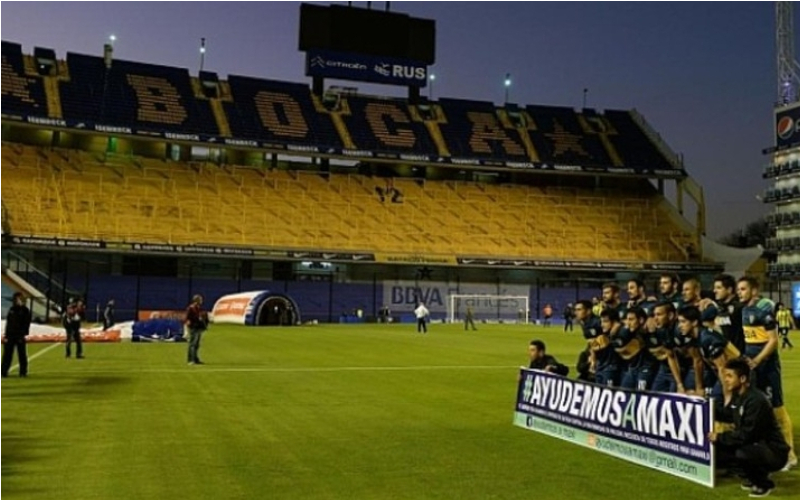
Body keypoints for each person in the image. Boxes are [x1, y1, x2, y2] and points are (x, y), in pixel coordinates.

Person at [737, 276, 796, 470]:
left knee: (777, 408)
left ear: (754, 290)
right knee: (757, 408)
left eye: (743, 289)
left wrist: (757, 360)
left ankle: (790, 455)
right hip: (752, 367)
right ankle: (767, 449)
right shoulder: (744, 309)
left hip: (767, 367)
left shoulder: (764, 308)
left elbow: (773, 340)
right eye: (738, 289)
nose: (740, 292)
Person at [710, 358, 790, 497]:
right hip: (757, 445)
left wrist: (720, 437)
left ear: (742, 379)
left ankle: (763, 484)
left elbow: (746, 435)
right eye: (725, 376)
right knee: (718, 453)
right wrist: (706, 407)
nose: (725, 380)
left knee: (743, 453)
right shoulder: (739, 396)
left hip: (775, 452)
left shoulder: (756, 400)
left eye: (729, 376)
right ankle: (749, 474)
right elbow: (727, 414)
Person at [575, 299, 620, 387]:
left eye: (579, 309)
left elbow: (611, 330)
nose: (576, 312)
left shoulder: (597, 322)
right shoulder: (584, 323)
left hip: (609, 358)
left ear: (588, 311)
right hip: (599, 356)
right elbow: (591, 342)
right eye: (576, 310)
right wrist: (592, 357)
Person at [712, 273, 745, 355]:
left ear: (729, 290)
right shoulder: (717, 308)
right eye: (714, 288)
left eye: (719, 288)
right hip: (722, 355)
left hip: (737, 355)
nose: (714, 291)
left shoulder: (739, 308)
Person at [2, 292, 31, 377]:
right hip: (10, 335)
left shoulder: (25, 311)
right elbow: (9, 323)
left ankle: (23, 372)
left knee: (22, 355)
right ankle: (3, 372)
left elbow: (26, 324)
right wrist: (6, 335)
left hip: (19, 336)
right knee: (7, 355)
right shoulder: (12, 309)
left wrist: (23, 334)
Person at [185, 294, 208, 365]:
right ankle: (191, 359)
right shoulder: (191, 308)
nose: (201, 301)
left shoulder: (198, 308)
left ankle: (195, 358)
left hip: (198, 327)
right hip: (193, 328)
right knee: (192, 344)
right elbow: (188, 319)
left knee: (197, 344)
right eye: (200, 300)